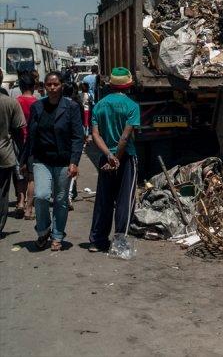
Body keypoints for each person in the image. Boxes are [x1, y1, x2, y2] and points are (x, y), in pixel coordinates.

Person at [19, 72, 84, 251]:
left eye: (56, 84)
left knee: (61, 200)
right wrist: (24, 160)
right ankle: (43, 230)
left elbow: (78, 137)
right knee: (41, 196)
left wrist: (74, 161)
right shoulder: (37, 107)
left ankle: (57, 235)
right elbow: (30, 136)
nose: (52, 88)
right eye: (49, 85)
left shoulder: (71, 107)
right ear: (43, 87)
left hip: (63, 161)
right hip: (42, 160)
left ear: (62, 85)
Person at [89, 67, 140, 252]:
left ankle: (97, 241)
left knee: (104, 200)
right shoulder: (132, 106)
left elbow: (95, 135)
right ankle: (119, 243)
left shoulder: (99, 105)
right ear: (128, 85)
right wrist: (117, 158)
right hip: (126, 158)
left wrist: (109, 156)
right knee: (125, 201)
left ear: (110, 85)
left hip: (106, 157)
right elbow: (125, 138)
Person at [0, 86, 25, 235]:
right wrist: (22, 156)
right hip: (4, 154)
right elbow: (18, 132)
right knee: (2, 192)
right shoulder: (11, 103)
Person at [15, 73, 38, 220]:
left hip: (18, 141)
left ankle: (20, 203)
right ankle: (29, 209)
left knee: (19, 174)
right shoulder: (38, 102)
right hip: (33, 142)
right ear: (34, 87)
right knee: (31, 177)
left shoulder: (15, 101)